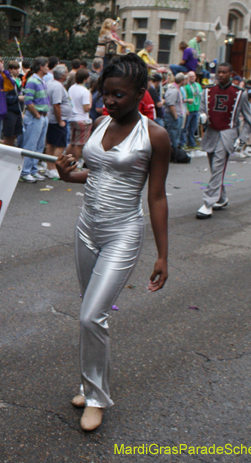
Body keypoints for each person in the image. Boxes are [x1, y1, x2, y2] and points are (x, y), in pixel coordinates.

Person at [55, 53, 169, 432]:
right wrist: (67, 174)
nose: (110, 102)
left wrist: (163, 254)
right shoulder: (101, 123)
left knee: (92, 316)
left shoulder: (155, 136)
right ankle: (90, 385)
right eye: (106, 93)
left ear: (140, 92)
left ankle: (97, 399)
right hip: (86, 229)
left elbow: (156, 197)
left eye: (119, 95)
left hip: (122, 233)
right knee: (90, 315)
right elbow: (94, 174)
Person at [196, 63, 251, 219]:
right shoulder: (207, 91)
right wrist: (202, 118)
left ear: (231, 74)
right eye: (218, 72)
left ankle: (207, 203)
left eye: (224, 72)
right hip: (211, 132)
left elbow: (248, 119)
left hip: (228, 133)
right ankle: (221, 198)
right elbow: (202, 111)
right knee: (215, 167)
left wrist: (242, 139)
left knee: (218, 165)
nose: (220, 75)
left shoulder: (240, 94)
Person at [20, 57, 51, 182]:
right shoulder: (33, 81)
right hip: (35, 116)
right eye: (47, 65)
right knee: (31, 145)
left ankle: (33, 169)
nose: (48, 68)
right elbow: (28, 100)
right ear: (41, 67)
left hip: (42, 116)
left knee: (38, 146)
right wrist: (37, 115)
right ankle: (25, 171)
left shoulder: (41, 81)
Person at [45, 64, 74, 178]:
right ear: (62, 75)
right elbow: (56, 105)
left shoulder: (52, 83)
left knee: (51, 144)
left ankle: (49, 167)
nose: (68, 74)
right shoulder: (57, 86)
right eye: (66, 72)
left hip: (53, 119)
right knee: (60, 145)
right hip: (57, 121)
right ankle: (53, 167)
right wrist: (60, 120)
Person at [67, 68, 93, 162]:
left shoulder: (71, 88)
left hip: (72, 117)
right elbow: (87, 108)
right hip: (82, 119)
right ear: (85, 79)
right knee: (79, 144)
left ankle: (66, 161)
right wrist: (90, 100)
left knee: (72, 143)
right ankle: (75, 163)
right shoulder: (85, 91)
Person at [2, 60, 24, 147]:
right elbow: (5, 97)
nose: (17, 71)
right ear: (10, 70)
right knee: (9, 135)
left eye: (18, 68)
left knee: (15, 135)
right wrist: (18, 98)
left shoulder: (19, 80)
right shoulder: (8, 81)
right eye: (15, 69)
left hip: (18, 111)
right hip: (10, 111)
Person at [163, 73, 185, 149]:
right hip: (173, 117)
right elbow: (171, 104)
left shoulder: (177, 89)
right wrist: (176, 117)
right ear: (181, 81)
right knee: (173, 136)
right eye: (185, 80)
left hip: (177, 116)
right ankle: (173, 152)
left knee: (176, 135)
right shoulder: (173, 90)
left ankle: (175, 151)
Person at [182, 71, 202, 147]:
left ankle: (191, 142)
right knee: (185, 127)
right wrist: (186, 108)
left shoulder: (198, 85)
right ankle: (183, 142)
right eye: (190, 77)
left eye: (193, 76)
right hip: (189, 109)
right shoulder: (186, 87)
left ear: (195, 77)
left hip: (196, 108)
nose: (192, 78)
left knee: (193, 127)